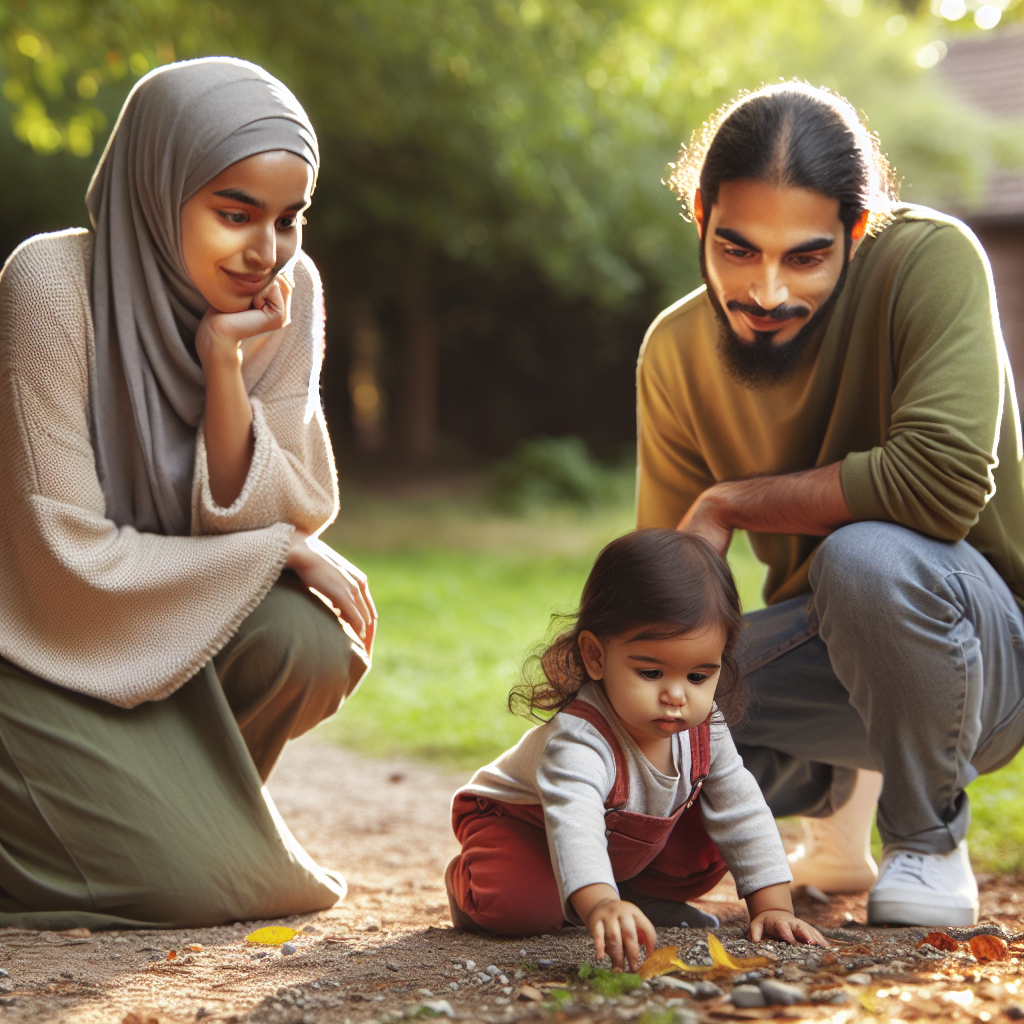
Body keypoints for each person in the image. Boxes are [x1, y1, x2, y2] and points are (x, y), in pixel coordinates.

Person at [0, 57, 376, 929]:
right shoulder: (50, 287)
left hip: (155, 623)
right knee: (215, 888)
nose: (266, 250)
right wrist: (278, 548)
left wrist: (223, 369)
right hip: (32, 640)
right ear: (155, 187)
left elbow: (286, 505)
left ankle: (150, 815)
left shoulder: (289, 292)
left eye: (289, 219)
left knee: (306, 638)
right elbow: (62, 554)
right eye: (235, 213)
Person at [637, 82, 1024, 927]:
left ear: (855, 232)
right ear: (700, 214)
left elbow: (943, 482)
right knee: (642, 721)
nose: (766, 292)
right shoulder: (672, 350)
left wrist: (731, 502)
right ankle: (834, 803)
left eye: (805, 257)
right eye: (737, 249)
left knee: (867, 560)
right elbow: (658, 600)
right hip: (824, 654)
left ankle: (926, 841)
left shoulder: (930, 259)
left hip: (986, 662)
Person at [445, 530, 827, 969]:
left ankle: (626, 894)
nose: (676, 695)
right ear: (595, 656)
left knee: (710, 846)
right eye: (651, 672)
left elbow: (743, 810)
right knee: (519, 908)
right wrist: (600, 902)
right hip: (519, 825)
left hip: (618, 846)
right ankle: (467, 882)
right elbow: (575, 823)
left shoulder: (706, 728)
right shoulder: (580, 740)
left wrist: (773, 906)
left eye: (699, 677)